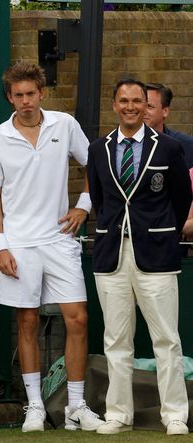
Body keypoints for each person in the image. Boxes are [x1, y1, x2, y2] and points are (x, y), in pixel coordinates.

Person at [0, 61, 105, 433]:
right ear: (9, 98)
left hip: (60, 240)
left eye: (30, 94)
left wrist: (82, 208)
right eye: (18, 96)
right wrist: (0, 246)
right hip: (18, 244)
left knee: (78, 319)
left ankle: (76, 406)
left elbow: (96, 169)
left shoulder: (64, 125)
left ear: (42, 93)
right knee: (26, 321)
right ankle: (34, 405)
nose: (25, 101)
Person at [87, 78, 192, 436]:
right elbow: (101, 201)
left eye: (138, 101)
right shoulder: (99, 148)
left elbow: (180, 199)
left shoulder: (169, 148)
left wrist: (161, 231)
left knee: (166, 338)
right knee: (116, 339)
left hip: (157, 254)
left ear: (147, 107)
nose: (131, 107)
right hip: (111, 253)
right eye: (124, 101)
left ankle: (174, 414)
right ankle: (118, 414)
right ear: (114, 104)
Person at [144, 83, 193, 168]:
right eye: (141, 105)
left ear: (165, 111)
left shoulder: (187, 146)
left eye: (149, 106)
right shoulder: (123, 144)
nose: (143, 111)